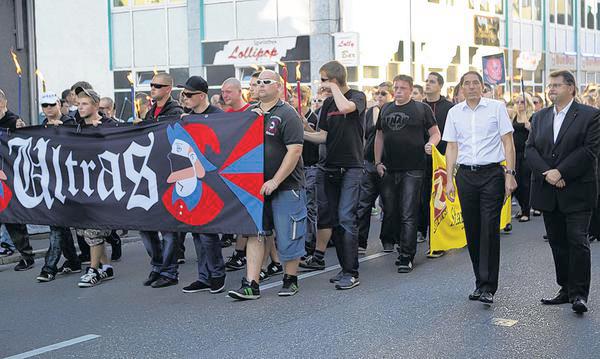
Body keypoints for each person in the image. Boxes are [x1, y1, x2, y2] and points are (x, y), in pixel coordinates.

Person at [526, 70, 600, 314]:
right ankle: (565, 289)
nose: (551, 89)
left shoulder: (590, 115)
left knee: (578, 241)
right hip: (549, 190)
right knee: (557, 242)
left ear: (571, 88)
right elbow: (530, 150)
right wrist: (549, 173)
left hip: (577, 190)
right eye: (550, 85)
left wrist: (562, 172)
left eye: (557, 85)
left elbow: (589, 151)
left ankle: (579, 294)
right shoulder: (539, 117)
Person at [228, 70, 306, 299]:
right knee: (256, 234)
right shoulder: (249, 115)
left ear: (279, 87)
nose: (260, 86)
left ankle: (290, 279)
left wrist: (275, 180)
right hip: (254, 188)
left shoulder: (287, 114)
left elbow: (295, 151)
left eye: (266, 82)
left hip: (286, 185)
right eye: (257, 82)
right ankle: (251, 284)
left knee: (288, 234)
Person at [443, 71, 517, 304]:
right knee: (473, 231)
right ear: (461, 88)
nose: (472, 87)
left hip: (492, 175)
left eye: (476, 83)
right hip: (466, 175)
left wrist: (509, 174)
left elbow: (508, 142)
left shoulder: (496, 108)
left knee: (488, 228)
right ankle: (479, 281)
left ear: (483, 87)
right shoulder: (454, 113)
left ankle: (488, 286)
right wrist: (448, 179)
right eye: (467, 84)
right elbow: (452, 147)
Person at [302, 61, 366, 290]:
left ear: (335, 79)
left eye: (324, 79)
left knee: (347, 217)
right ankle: (344, 268)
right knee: (336, 221)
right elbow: (322, 137)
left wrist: (335, 87)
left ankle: (352, 272)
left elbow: (348, 108)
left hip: (352, 167)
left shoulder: (357, 97)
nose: (321, 85)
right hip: (329, 168)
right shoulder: (328, 103)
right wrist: (303, 132)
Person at [374, 75, 441, 273]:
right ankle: (400, 245)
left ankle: (407, 256)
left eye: (403, 88)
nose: (399, 91)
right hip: (389, 168)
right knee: (391, 211)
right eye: (396, 87)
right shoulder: (385, 108)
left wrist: (431, 144)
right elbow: (379, 135)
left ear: (411, 90)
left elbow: (435, 132)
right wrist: (377, 162)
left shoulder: (421, 109)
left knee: (408, 211)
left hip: (414, 168)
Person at [175, 76, 227, 294]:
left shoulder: (219, 117)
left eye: (188, 94)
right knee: (195, 231)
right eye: (183, 94)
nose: (184, 98)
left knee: (207, 232)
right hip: (191, 180)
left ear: (201, 96)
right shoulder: (185, 117)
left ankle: (217, 274)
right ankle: (204, 276)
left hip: (212, 181)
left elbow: (226, 145)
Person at [137, 73, 184, 288]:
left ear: (168, 89)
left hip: (167, 175)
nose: (153, 88)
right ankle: (157, 266)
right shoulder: (149, 112)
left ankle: (169, 271)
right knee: (145, 225)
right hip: (149, 175)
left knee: (167, 228)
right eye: (151, 85)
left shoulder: (175, 112)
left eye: (157, 85)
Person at [74, 87, 117, 288]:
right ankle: (106, 267)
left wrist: (104, 132)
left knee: (95, 229)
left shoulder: (108, 124)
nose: (80, 107)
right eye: (78, 103)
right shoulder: (76, 126)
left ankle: (92, 270)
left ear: (96, 105)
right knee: (85, 230)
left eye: (85, 103)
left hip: (104, 186)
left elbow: (122, 143)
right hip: (83, 184)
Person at [35, 92, 80, 282]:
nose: (48, 109)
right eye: (44, 106)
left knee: (57, 224)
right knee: (59, 223)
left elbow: (80, 144)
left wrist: (62, 131)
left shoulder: (70, 123)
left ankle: (49, 267)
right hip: (49, 181)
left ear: (59, 104)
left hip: (69, 182)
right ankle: (73, 260)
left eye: (51, 105)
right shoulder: (41, 126)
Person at [0, 89, 35, 271]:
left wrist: (23, 130)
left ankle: (27, 255)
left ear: (3, 102)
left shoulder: (14, 121)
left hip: (9, 179)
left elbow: (26, 145)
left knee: (13, 220)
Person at [356, 82, 392, 253]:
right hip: (369, 163)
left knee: (389, 204)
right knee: (364, 204)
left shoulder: (393, 112)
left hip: (389, 164)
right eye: (377, 93)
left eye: (383, 93)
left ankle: (388, 239)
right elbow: (363, 136)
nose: (379, 97)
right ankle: (360, 241)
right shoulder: (370, 112)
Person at [422, 72, 455, 258]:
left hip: (444, 160)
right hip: (423, 160)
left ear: (440, 86)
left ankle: (440, 241)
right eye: (426, 81)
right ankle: (428, 234)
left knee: (441, 201)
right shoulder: (418, 106)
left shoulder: (450, 108)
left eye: (432, 81)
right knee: (425, 200)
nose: (427, 84)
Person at [293, 85, 320, 256]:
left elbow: (318, 138)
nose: (294, 99)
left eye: (296, 97)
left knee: (310, 205)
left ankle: (311, 242)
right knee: (299, 205)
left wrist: (305, 126)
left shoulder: (314, 116)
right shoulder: (291, 116)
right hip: (298, 166)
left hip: (312, 164)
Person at [512, 93, 534, 222]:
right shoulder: (514, 116)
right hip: (515, 153)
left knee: (525, 183)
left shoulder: (532, 116)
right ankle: (522, 207)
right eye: (518, 102)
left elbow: (535, 132)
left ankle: (526, 211)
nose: (519, 104)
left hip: (526, 154)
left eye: (522, 102)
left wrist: (528, 124)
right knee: (516, 182)